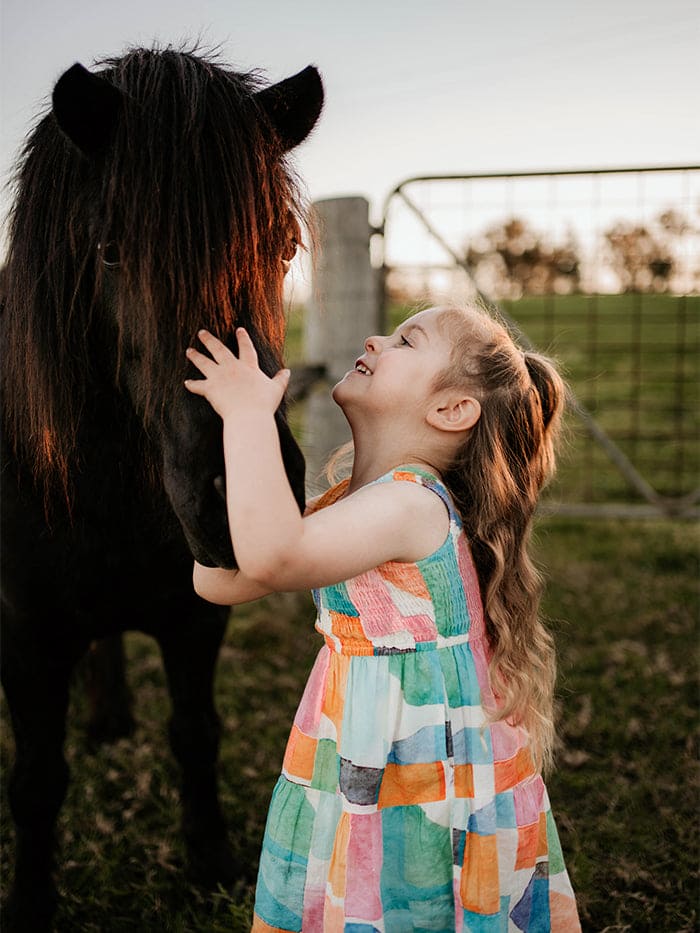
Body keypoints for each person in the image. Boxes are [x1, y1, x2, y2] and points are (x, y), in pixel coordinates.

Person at [185, 304, 581, 932]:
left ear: (451, 411)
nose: (374, 337)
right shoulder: (356, 504)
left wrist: (248, 416)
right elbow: (221, 579)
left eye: (405, 340)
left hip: (417, 778)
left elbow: (271, 555)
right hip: (364, 753)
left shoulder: (410, 502)